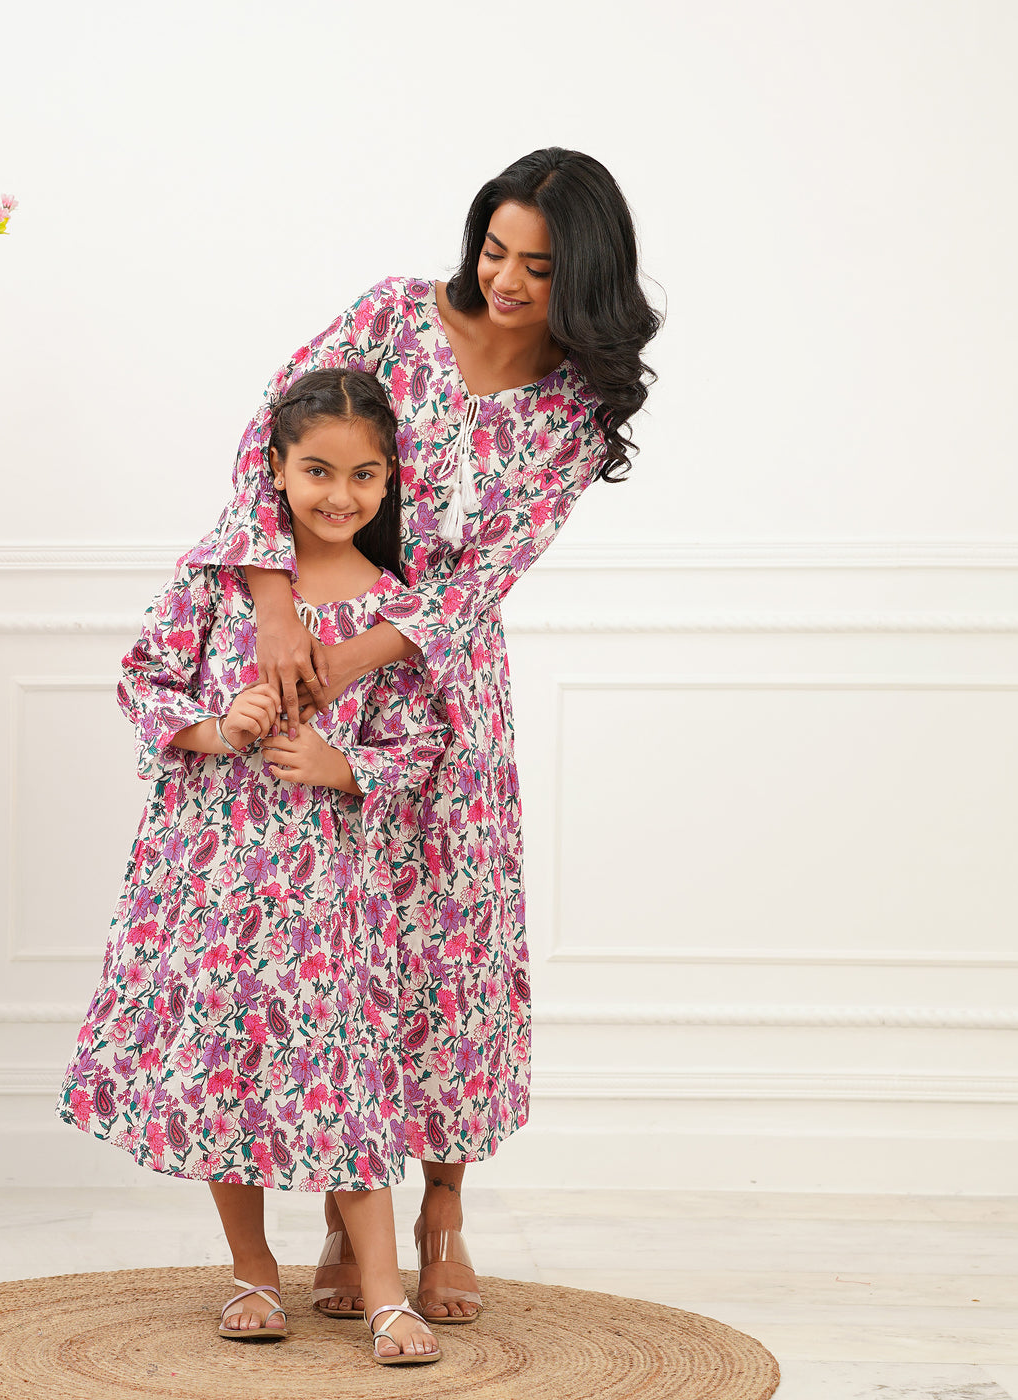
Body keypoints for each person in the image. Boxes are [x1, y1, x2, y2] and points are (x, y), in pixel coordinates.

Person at [185, 147, 661, 1324]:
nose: (503, 279)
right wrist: (278, 608)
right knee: (330, 952)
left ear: (583, 277)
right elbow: (268, 440)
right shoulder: (394, 316)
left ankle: (440, 1205)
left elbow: (481, 575)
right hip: (296, 641)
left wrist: (348, 658)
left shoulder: (576, 408)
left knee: (443, 946)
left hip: (436, 689)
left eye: (538, 267)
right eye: (495, 249)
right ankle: (348, 1221)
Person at [57, 368, 448, 1365]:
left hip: (328, 893)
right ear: (273, 468)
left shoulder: (391, 612)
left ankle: (382, 1291)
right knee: (221, 1063)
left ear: (388, 478)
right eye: (315, 469)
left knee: (338, 1074)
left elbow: (421, 746)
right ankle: (251, 1271)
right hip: (210, 876)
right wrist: (212, 727)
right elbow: (141, 675)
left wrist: (343, 765)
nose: (337, 495)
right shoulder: (215, 580)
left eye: (363, 475)